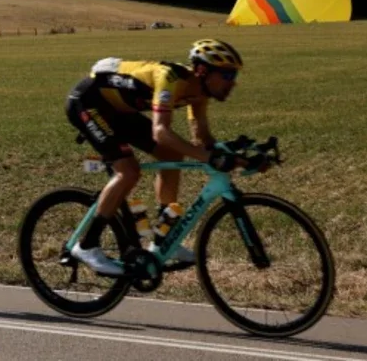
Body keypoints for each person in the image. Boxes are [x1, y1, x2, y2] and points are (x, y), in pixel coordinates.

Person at [64, 38, 261, 276]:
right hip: (87, 104)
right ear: (202, 71)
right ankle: (87, 246)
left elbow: (201, 138)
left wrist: (239, 156)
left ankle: (162, 238)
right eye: (227, 76)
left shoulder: (200, 94)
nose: (232, 83)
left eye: (234, 76)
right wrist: (208, 157)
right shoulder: (169, 79)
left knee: (172, 152)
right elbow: (161, 131)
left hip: (119, 111)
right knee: (129, 170)